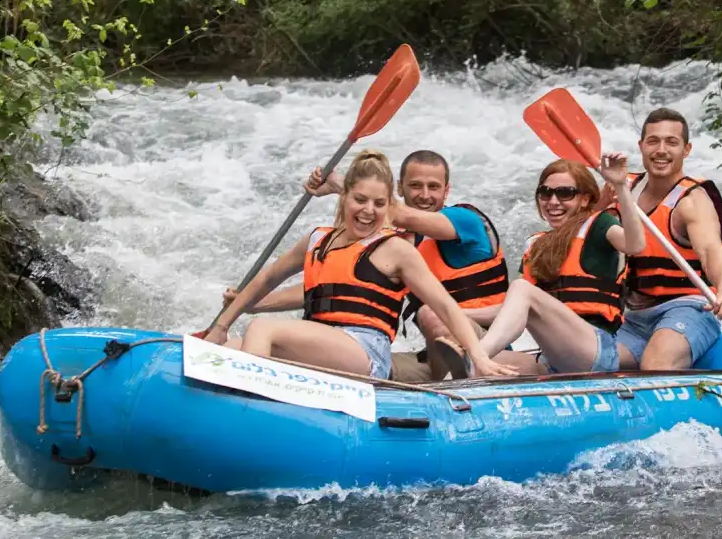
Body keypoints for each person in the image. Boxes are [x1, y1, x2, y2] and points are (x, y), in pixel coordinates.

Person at [203, 150, 519, 380]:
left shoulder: (442, 228)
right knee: (233, 345)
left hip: (386, 345)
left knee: (262, 331)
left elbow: (446, 308)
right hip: (329, 339)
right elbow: (295, 285)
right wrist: (231, 318)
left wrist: (338, 182)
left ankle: (251, 412)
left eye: (379, 204)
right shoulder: (320, 239)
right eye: (415, 186)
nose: (369, 210)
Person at [430, 153, 646, 378]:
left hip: (594, 350)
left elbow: (636, 244)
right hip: (553, 358)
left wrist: (621, 187)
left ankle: (477, 359)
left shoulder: (600, 225)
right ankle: (449, 389)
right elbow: (515, 309)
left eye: (565, 193)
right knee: (477, 362)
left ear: (584, 199)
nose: (553, 201)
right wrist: (454, 312)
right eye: (545, 193)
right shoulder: (536, 244)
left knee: (518, 295)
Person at [304, 149, 511, 381]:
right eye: (415, 186)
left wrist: (339, 184)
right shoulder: (392, 245)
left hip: (487, 343)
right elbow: (335, 289)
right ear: (400, 189)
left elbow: (401, 214)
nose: (424, 195)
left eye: (433, 187)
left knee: (431, 315)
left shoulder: (466, 220)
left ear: (446, 191)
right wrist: (258, 303)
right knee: (366, 361)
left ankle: (463, 378)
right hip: (437, 357)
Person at [598, 108, 722, 371]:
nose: (661, 150)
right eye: (653, 141)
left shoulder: (691, 200)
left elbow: (710, 250)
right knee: (593, 362)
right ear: (641, 146)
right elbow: (582, 226)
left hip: (688, 309)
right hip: (634, 317)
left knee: (656, 364)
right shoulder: (621, 186)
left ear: (686, 149)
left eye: (671, 142)